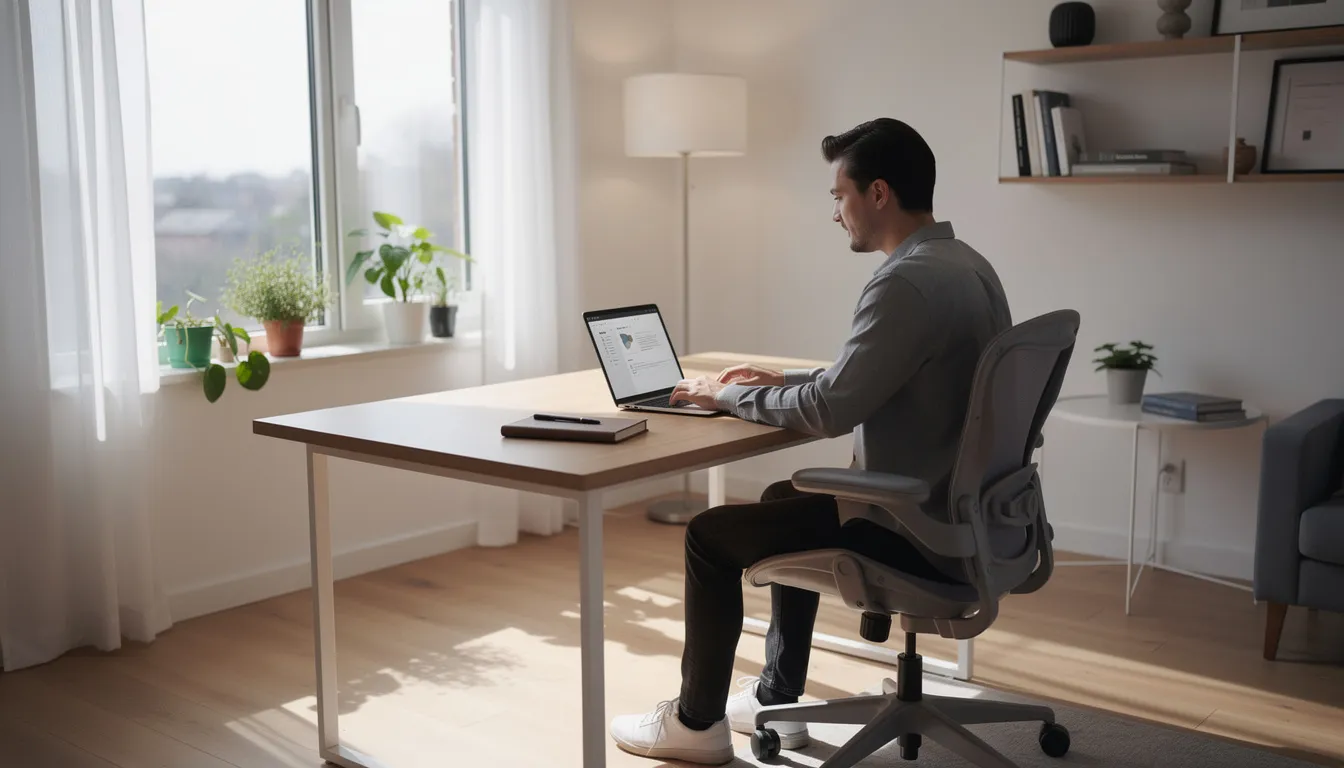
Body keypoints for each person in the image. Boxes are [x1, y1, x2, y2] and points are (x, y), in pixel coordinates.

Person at [608, 117, 1014, 765]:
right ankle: (778, 695)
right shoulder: (965, 267)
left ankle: (694, 724)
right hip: (972, 517)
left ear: (877, 194)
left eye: (838, 195)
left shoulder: (903, 282)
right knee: (778, 495)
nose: (835, 212)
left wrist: (725, 395)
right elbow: (880, 377)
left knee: (708, 536)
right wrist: (781, 380)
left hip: (912, 527)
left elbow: (831, 412)